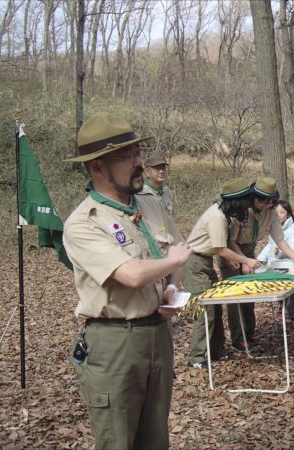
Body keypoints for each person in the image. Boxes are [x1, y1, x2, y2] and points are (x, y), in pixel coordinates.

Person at [63, 112, 193, 450]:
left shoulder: (149, 204)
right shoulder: (84, 222)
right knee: (118, 441)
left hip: (158, 335)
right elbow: (132, 274)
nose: (138, 163)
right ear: (98, 168)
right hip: (115, 344)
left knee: (155, 439)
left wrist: (172, 288)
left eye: (137, 154)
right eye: (126, 157)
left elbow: (176, 249)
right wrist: (174, 261)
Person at [221, 178, 294, 352]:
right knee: (235, 296)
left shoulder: (271, 213)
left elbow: (279, 239)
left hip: (249, 252)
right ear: (253, 198)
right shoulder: (241, 209)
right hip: (231, 251)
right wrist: (242, 260)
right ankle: (239, 339)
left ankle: (250, 331)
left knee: (250, 293)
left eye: (269, 201)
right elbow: (230, 239)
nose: (265, 204)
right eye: (261, 200)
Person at [186, 178, 262, 369]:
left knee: (216, 307)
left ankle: (216, 351)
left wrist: (231, 259)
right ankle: (196, 357)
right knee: (206, 310)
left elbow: (223, 244)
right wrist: (245, 259)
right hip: (194, 263)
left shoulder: (224, 215)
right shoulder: (217, 216)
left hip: (206, 261)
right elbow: (220, 249)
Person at [257, 199, 294, 322]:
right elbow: (269, 246)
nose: (279, 216)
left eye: (282, 213)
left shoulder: (292, 230)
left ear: (288, 213)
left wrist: (281, 251)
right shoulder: (274, 227)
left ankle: (290, 312)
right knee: (280, 287)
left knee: (289, 289)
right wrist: (261, 258)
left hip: (288, 265)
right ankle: (282, 306)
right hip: (275, 265)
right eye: (276, 213)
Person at [141, 152, 175, 216]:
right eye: (157, 169)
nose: (161, 171)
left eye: (163, 168)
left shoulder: (168, 191)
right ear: (147, 172)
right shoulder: (142, 194)